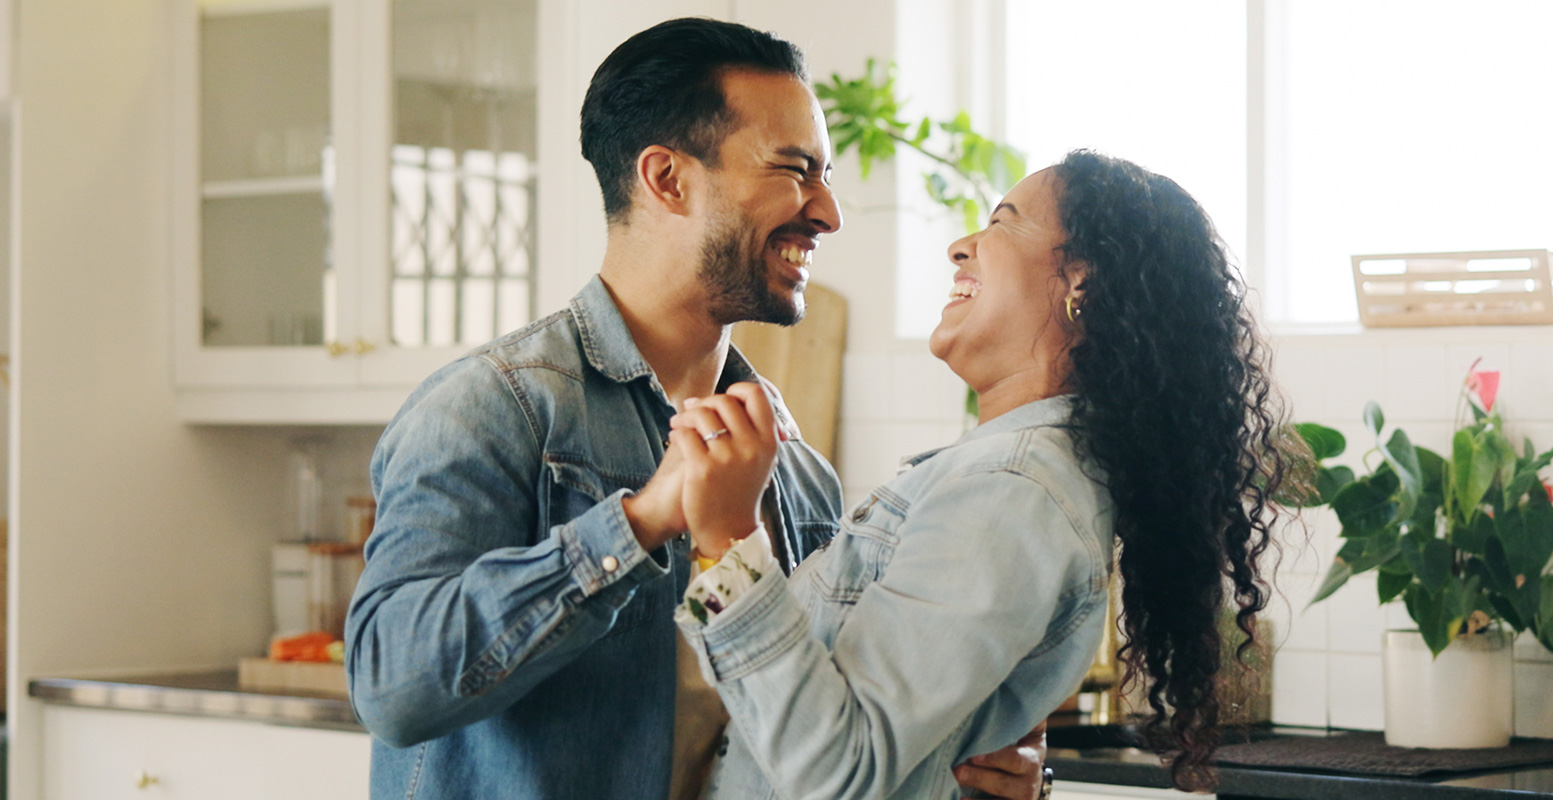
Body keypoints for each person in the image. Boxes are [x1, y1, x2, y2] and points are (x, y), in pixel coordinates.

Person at [345, 18, 1042, 800]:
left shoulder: (795, 473)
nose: (828, 212)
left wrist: (968, 780)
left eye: (826, 176)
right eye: (795, 170)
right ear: (667, 178)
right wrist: (639, 523)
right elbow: (390, 688)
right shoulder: (492, 408)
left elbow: (817, 747)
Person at [662, 150, 1292, 799]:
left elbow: (836, 768)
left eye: (1002, 222)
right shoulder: (1013, 478)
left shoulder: (1012, 490)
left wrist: (728, 545)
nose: (961, 248)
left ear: (1081, 282)